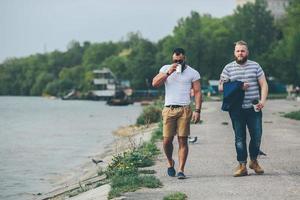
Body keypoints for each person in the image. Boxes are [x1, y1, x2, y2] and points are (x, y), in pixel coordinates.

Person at [218, 40, 268, 177]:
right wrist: (239, 86)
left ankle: (254, 161)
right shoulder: (228, 68)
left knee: (257, 136)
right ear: (234, 52)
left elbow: (263, 84)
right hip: (236, 109)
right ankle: (242, 165)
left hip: (254, 108)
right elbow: (221, 87)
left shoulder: (255, 66)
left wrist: (262, 101)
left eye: (243, 51)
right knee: (240, 138)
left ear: (247, 52)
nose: (240, 53)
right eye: (238, 51)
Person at [152, 48, 202, 179]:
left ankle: (181, 170)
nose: (178, 62)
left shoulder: (193, 72)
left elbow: (197, 92)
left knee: (182, 140)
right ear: (172, 59)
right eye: (175, 60)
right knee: (167, 141)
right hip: (168, 109)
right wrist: (169, 72)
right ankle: (170, 162)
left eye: (180, 60)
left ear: (185, 58)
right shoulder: (165, 69)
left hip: (184, 109)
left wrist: (197, 110)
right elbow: (155, 83)